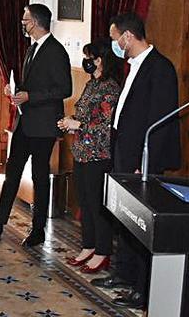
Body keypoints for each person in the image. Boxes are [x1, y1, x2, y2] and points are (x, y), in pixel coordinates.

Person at [90, 12, 181, 309]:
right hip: (124, 151)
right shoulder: (134, 67)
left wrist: (147, 161)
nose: (115, 44)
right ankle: (123, 274)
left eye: (116, 39)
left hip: (142, 157)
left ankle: (143, 288)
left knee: (141, 223)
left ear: (128, 37)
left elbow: (160, 119)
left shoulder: (160, 68)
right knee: (123, 218)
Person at [0, 4, 71, 247]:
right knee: (13, 172)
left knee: (39, 177)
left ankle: (38, 231)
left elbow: (65, 89)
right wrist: (15, 91)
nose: (23, 24)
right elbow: (29, 84)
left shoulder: (56, 51)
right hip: (24, 122)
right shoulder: (31, 49)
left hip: (44, 126)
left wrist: (30, 96)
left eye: (25, 20)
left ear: (36, 22)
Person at [57, 40, 121, 275]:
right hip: (82, 152)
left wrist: (79, 124)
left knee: (97, 205)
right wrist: (71, 122)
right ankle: (88, 246)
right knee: (84, 201)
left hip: (98, 154)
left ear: (100, 60)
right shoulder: (92, 84)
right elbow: (84, 111)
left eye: (89, 57)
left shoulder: (110, 88)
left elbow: (106, 125)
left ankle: (102, 252)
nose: (86, 61)